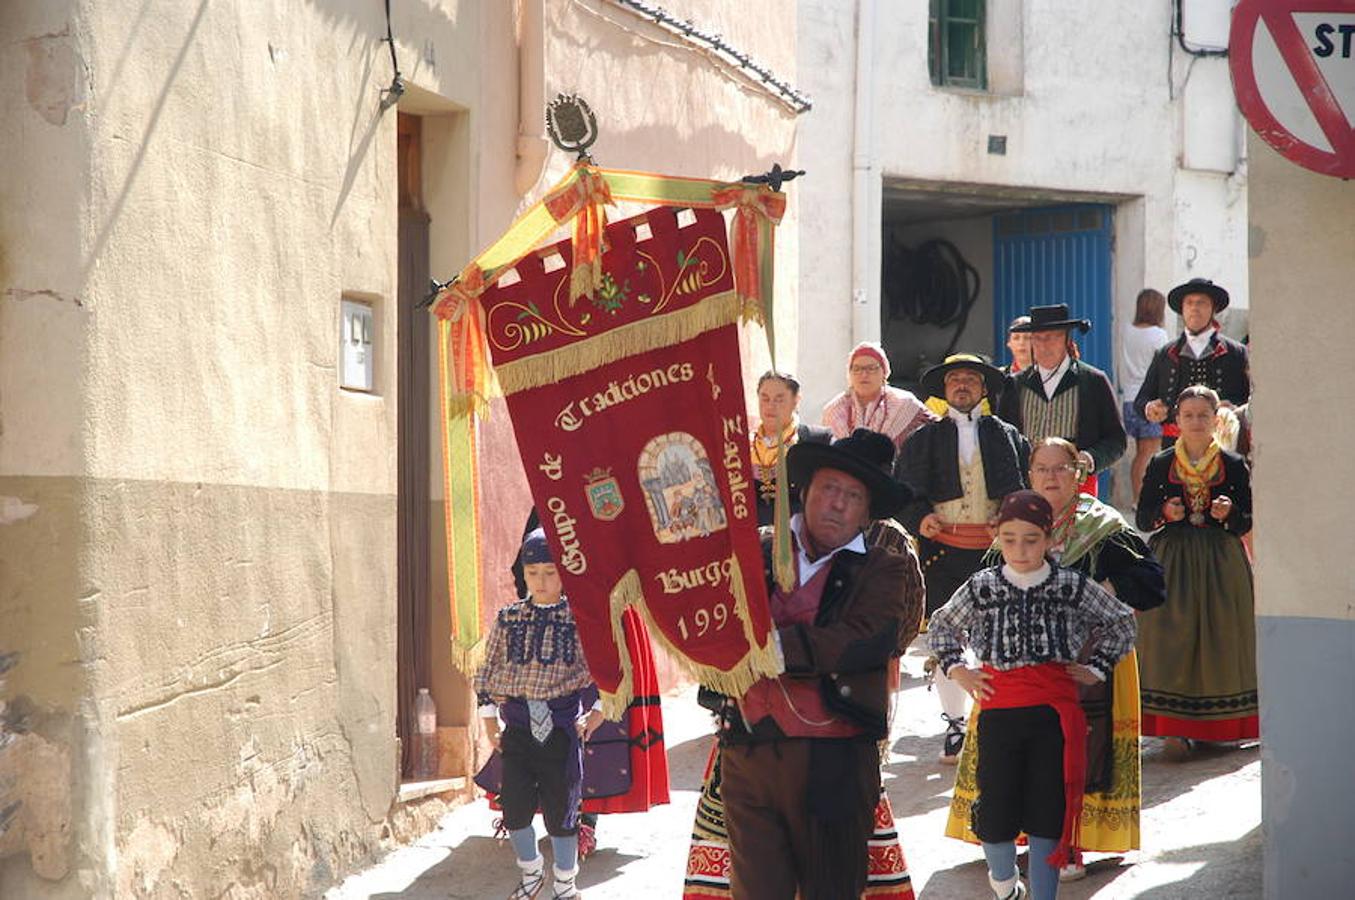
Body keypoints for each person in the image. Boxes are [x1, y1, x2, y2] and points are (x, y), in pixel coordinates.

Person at [698, 429, 923, 899]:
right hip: (749, 754)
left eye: (853, 496)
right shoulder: (754, 551)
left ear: (867, 513)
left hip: (835, 761)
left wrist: (773, 649)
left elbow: (867, 639)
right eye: (829, 488)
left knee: (831, 890)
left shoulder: (884, 566)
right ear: (805, 491)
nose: (837, 504)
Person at [943, 439, 1166, 882]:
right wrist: (961, 664)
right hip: (1013, 676)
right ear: (1030, 475)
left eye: (1060, 468)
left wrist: (1104, 592)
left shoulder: (1103, 526)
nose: (1051, 477)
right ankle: (1013, 840)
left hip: (1086, 665)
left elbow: (1151, 583)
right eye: (1041, 468)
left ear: (1078, 472)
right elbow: (972, 600)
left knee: (1081, 753)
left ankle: (1073, 843)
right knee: (1010, 759)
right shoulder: (1017, 524)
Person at [929, 491, 1137, 900]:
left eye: (1031, 539)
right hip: (999, 713)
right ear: (997, 537)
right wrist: (958, 670)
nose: (1020, 549)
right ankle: (1005, 884)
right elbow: (941, 626)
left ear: (1049, 539)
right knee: (995, 811)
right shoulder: (982, 586)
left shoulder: (1070, 585)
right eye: (1009, 539)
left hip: (1053, 716)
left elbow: (1121, 622)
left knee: (1047, 811)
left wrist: (1096, 668)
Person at [507, 511, 671, 861]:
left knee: (593, 722)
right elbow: (524, 562)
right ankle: (547, 812)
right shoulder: (547, 498)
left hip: (606, 620)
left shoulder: (607, 498)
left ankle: (584, 820)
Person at [893, 353, 1030, 763]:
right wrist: (921, 518)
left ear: (984, 389)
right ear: (945, 388)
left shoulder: (1008, 436)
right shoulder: (923, 440)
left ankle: (992, 719)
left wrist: (1008, 518)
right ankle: (955, 725)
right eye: (955, 379)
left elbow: (1023, 487)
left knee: (997, 638)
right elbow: (904, 492)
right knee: (947, 638)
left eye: (971, 378)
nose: (963, 385)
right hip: (943, 553)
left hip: (995, 555)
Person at [475, 529, 604, 900]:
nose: (541, 581)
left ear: (563, 574)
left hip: (561, 733)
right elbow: (486, 671)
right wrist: (489, 722)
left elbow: (607, 672)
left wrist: (596, 712)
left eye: (550, 572)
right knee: (514, 808)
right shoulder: (508, 619)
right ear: (524, 574)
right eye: (533, 573)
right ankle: (531, 873)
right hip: (517, 731)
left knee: (562, 813)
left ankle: (565, 884)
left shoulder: (579, 621)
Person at [1135, 385, 1256, 751]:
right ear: (1177, 420)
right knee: (1170, 634)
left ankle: (1217, 727)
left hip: (1221, 561)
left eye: (1203, 415)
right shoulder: (1161, 463)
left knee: (1223, 635)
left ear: (1216, 420)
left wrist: (1230, 513)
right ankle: (1174, 727)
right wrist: (1164, 513)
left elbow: (1248, 518)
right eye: (1188, 415)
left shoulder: (1233, 464)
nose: (1196, 422)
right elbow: (1143, 517)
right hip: (1173, 560)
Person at [997, 305, 1126, 497]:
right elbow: (1002, 439)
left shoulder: (1093, 381)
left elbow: (1116, 439)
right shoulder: (1015, 385)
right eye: (1038, 338)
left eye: (1051, 337)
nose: (1044, 345)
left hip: (1078, 489)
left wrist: (1090, 457)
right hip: (1028, 488)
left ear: (1066, 339)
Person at [1134, 278, 1249, 448]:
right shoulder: (1165, 353)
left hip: (1222, 446)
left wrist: (1234, 410)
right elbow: (1141, 400)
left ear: (1213, 309)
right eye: (1189, 303)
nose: (1194, 308)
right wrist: (1150, 408)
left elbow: (1253, 400)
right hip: (1174, 447)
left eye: (1201, 303)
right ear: (1182, 309)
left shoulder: (1236, 353)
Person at [822, 342, 935, 457]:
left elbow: (937, 435)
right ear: (849, 374)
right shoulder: (833, 410)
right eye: (857, 369)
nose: (864, 374)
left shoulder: (906, 404)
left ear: (884, 372)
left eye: (871, 368)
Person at [750, 371, 832, 526]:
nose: (770, 406)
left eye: (779, 399)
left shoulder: (816, 441)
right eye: (765, 398)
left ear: (796, 400)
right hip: (751, 534)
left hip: (798, 534)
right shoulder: (743, 445)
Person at [1119, 289, 1171, 500]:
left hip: (1128, 399)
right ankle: (1141, 501)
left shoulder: (1127, 330)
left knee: (1140, 454)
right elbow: (1165, 367)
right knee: (1147, 454)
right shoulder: (1158, 335)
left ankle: (1136, 499)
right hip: (1150, 401)